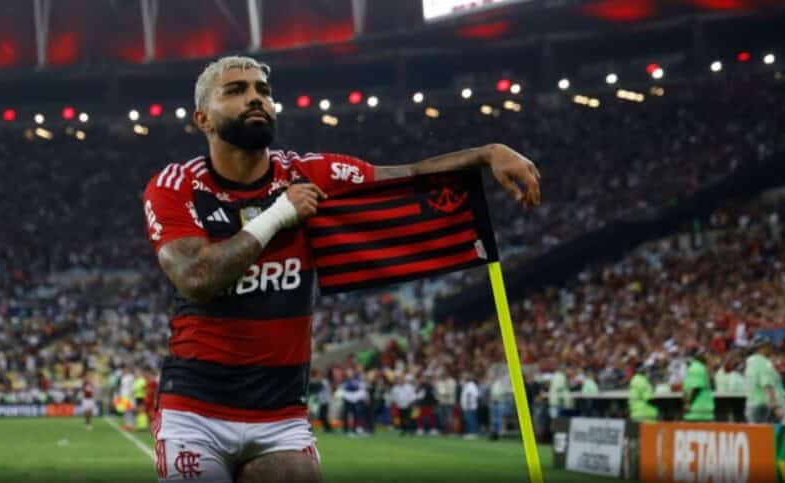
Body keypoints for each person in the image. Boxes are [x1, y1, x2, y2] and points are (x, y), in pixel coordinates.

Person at [142, 55, 541, 483]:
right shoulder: (176, 185)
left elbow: (404, 179)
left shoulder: (310, 173)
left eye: (263, 91)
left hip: (280, 417)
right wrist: (278, 215)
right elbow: (197, 278)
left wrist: (486, 153)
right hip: (196, 412)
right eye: (236, 90)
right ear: (203, 118)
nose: (256, 98)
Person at [744, 335, 785, 424]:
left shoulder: (750, 363)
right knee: (777, 432)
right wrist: (775, 407)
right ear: (762, 347)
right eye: (769, 346)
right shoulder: (763, 362)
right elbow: (767, 385)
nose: (771, 348)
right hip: (765, 407)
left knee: (757, 432)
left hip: (753, 405)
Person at [682, 347, 715, 421]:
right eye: (705, 353)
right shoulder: (698, 368)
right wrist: (688, 404)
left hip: (694, 412)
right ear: (699, 356)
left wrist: (686, 403)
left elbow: (685, 390)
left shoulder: (693, 368)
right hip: (700, 411)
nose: (707, 356)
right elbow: (696, 388)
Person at [460, 373, 480, 440]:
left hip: (470, 407)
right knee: (469, 420)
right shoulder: (467, 385)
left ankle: (473, 433)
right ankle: (470, 433)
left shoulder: (471, 385)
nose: (463, 379)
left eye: (464, 377)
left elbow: (474, 395)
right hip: (467, 407)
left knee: (471, 420)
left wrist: (469, 404)